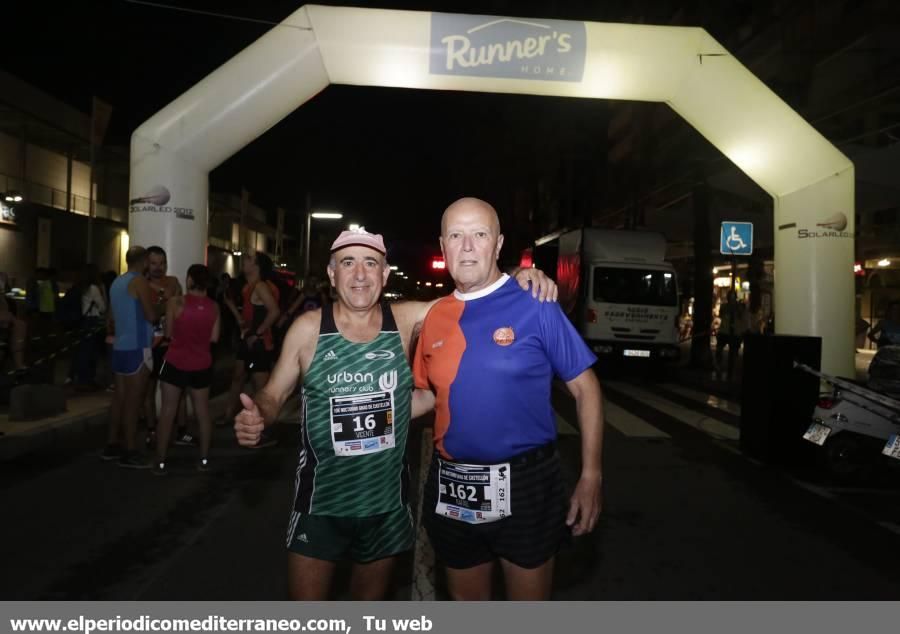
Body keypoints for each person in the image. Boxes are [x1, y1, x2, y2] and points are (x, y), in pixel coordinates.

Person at [233, 227, 557, 600]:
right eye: (348, 263)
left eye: (370, 263)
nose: (359, 274)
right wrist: (258, 414)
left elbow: (472, 297)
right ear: (332, 273)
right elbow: (274, 394)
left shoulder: (404, 321)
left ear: (384, 276)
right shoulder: (308, 330)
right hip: (319, 506)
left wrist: (517, 275)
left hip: (384, 508)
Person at [413, 197, 604, 601]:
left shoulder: (536, 304)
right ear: (443, 245)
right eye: (456, 236)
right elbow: (428, 397)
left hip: (526, 486)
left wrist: (591, 474)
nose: (467, 246)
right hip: (453, 485)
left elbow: (585, 388)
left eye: (479, 234)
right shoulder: (434, 317)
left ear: (497, 244)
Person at [153, 264, 221, 475]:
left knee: (167, 412)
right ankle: (203, 460)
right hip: (202, 364)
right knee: (202, 413)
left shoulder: (175, 302)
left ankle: (160, 462)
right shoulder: (214, 307)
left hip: (175, 362)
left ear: (189, 279)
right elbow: (214, 338)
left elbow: (169, 333)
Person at [102, 246, 156, 468]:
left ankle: (112, 445)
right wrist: (164, 306)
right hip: (138, 346)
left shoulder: (117, 283)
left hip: (120, 347)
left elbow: (110, 317)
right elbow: (150, 314)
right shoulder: (139, 282)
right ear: (143, 261)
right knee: (135, 401)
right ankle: (130, 450)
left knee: (119, 399)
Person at [223, 251, 281, 445]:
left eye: (248, 259)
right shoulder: (249, 287)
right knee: (238, 376)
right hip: (248, 341)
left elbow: (274, 311)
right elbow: (247, 318)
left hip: (259, 344)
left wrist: (258, 333)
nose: (244, 261)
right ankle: (228, 415)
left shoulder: (261, 286)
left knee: (261, 388)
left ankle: (263, 430)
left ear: (256, 266)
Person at [144, 246, 187, 447]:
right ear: (146, 263)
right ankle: (152, 430)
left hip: (171, 345)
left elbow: (179, 304)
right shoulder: (140, 285)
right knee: (148, 389)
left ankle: (181, 431)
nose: (158, 267)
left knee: (178, 390)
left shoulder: (173, 282)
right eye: (153, 263)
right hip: (149, 345)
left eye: (161, 263)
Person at [73, 264, 107, 389]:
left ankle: (81, 378)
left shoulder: (81, 287)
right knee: (90, 352)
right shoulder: (93, 288)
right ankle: (87, 380)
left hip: (82, 320)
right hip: (92, 320)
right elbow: (102, 307)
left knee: (83, 351)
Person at [715, 290, 749, 379]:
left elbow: (742, 317)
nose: (731, 299)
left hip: (733, 333)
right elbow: (721, 315)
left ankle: (730, 370)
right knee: (719, 350)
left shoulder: (738, 307)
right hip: (724, 332)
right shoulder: (724, 306)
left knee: (733, 353)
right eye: (730, 297)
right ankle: (720, 368)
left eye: (733, 297)